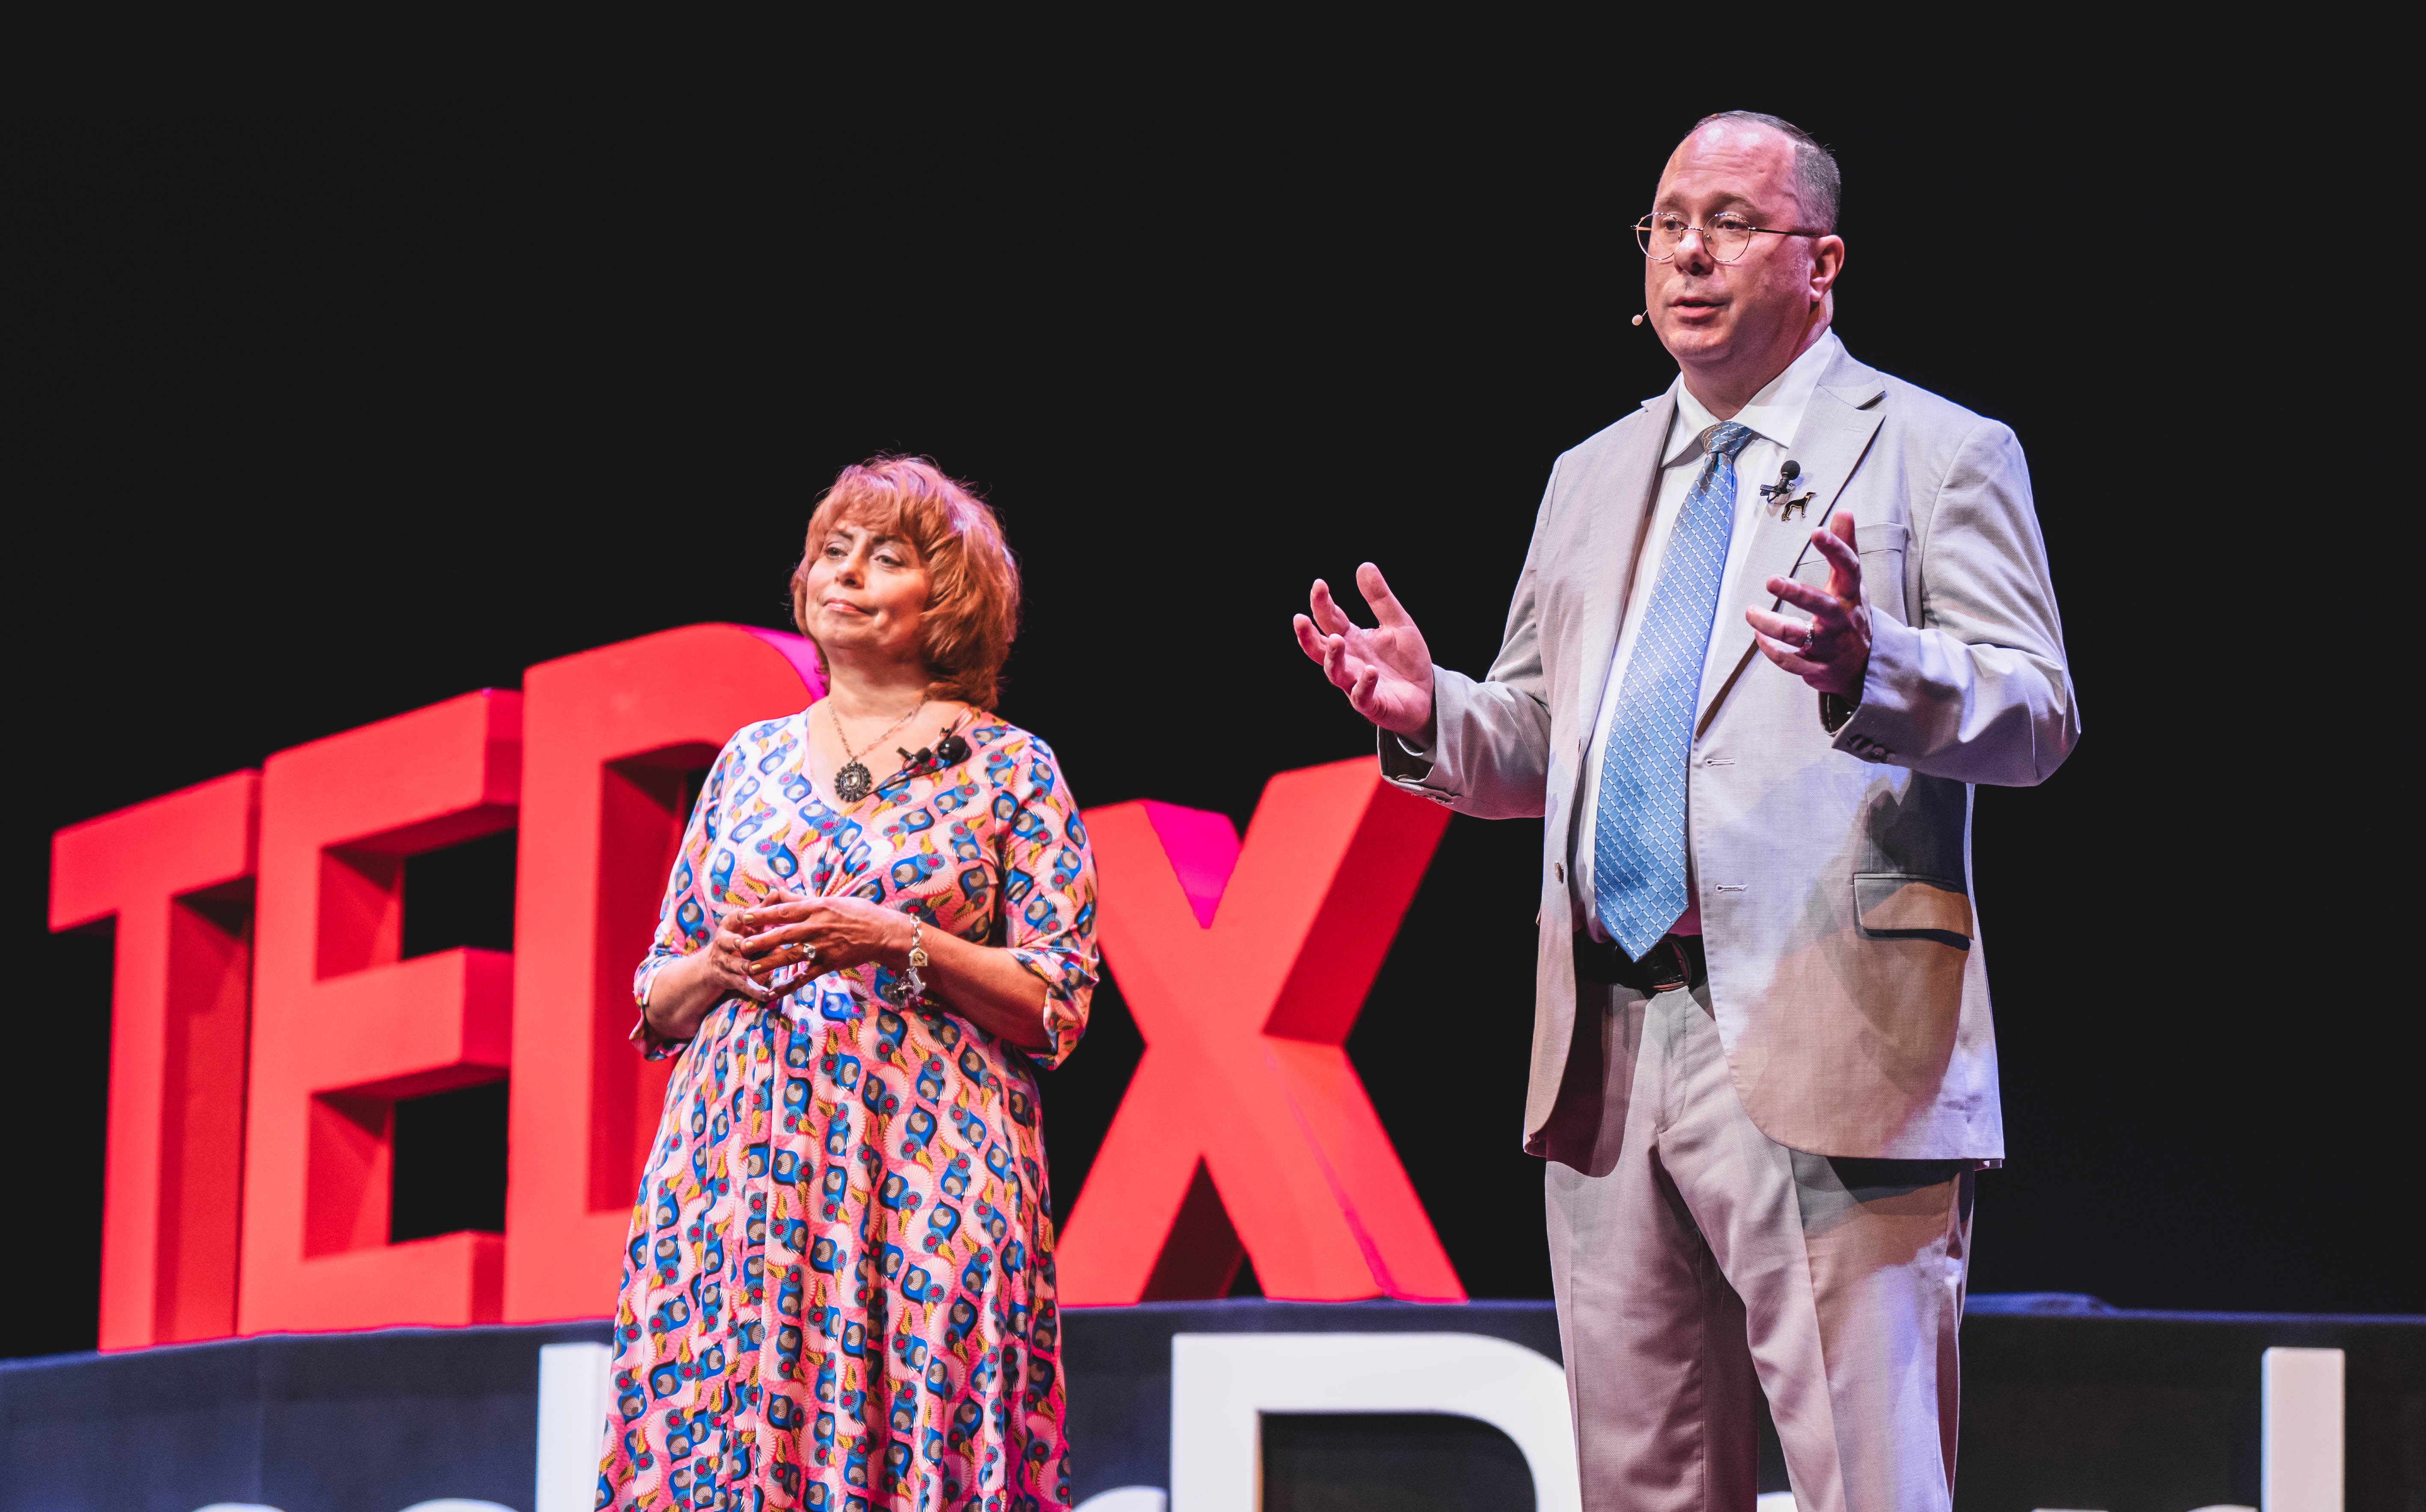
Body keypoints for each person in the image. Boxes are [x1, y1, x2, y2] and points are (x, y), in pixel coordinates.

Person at [1294, 112, 2078, 1510]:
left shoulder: (1936, 451)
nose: (1686, 252)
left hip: (1829, 1031)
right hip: (1607, 1043)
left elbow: (2034, 714)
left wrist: (1871, 665)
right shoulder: (1589, 477)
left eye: (1726, 220)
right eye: (1663, 223)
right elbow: (1545, 744)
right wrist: (1429, 716)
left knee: (1865, 1483)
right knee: (1641, 1484)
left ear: (1818, 260)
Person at [600, 457, 1099, 1511]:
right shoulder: (748, 761)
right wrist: (713, 967)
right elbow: (654, 995)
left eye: (886, 557)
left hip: (929, 1180)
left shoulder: (1011, 770)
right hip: (738, 1181)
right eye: (833, 552)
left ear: (948, 597)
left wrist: (897, 941)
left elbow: (1058, 1001)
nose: (848, 575)